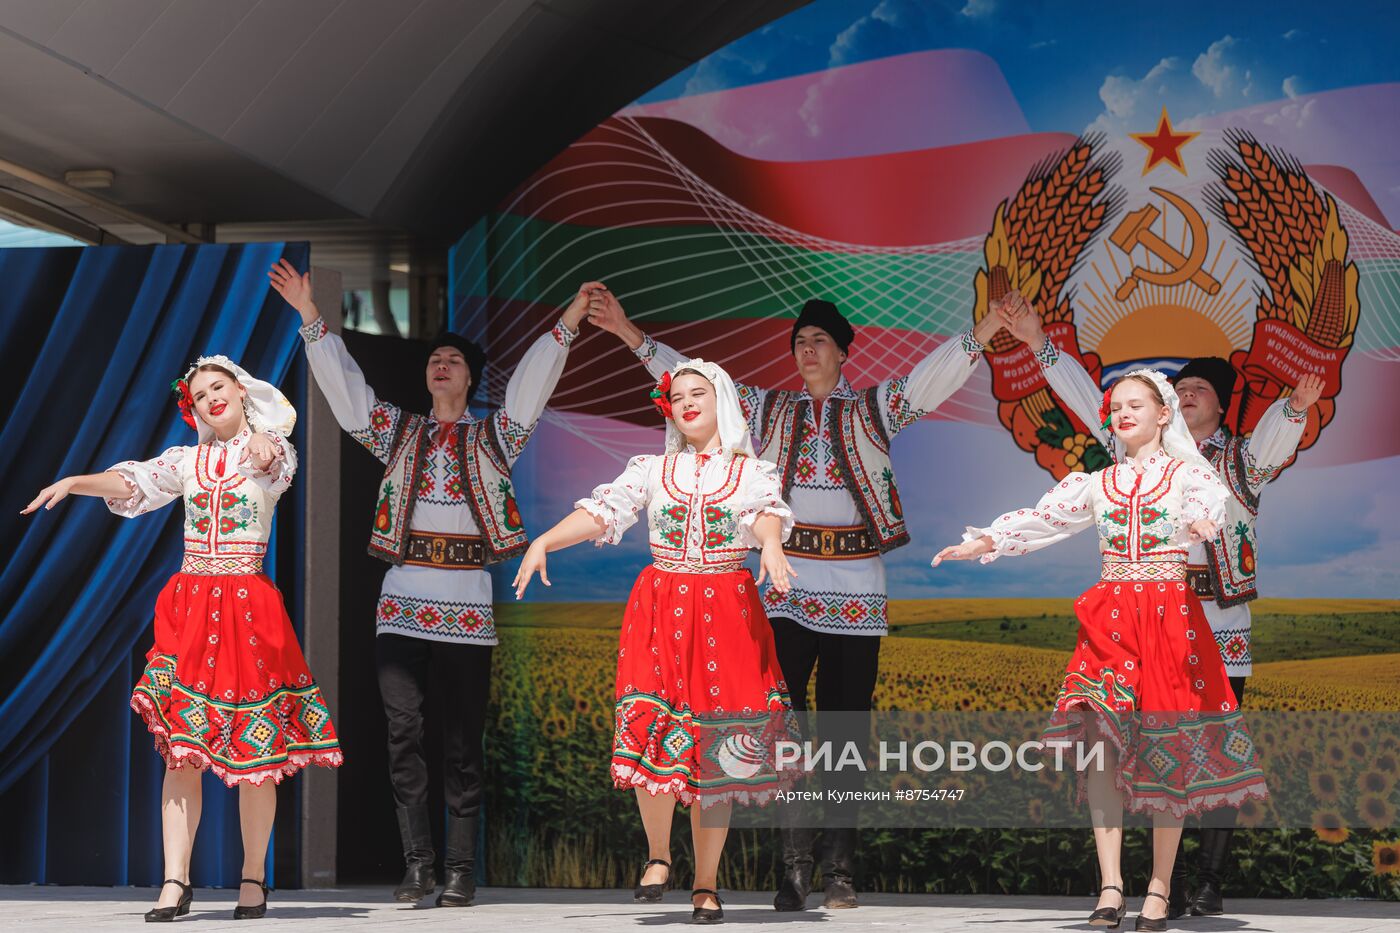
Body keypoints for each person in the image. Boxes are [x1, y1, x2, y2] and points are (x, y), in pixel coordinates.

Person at [588, 290, 1003, 910]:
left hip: (856, 584)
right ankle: (794, 870)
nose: (807, 351)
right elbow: (692, 382)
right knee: (784, 728)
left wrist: (986, 329)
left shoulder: (872, 407)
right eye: (799, 343)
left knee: (844, 730)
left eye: (818, 342)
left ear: (842, 352)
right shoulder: (766, 409)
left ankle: (839, 870)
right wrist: (628, 333)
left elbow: (926, 383)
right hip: (784, 586)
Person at [270, 259, 593, 907]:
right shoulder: (401, 432)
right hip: (402, 608)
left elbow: (531, 386)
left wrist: (567, 322)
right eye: (434, 358)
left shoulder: (496, 435)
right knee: (401, 733)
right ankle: (419, 865)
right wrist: (310, 317)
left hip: (467, 607)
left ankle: (461, 869)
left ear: (470, 376)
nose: (440, 363)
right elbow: (349, 392)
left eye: (452, 358)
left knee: (461, 741)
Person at [995, 292, 1322, 917]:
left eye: (1200, 386)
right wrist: (1039, 346)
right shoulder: (1131, 455)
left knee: (1207, 743)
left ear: (1221, 405)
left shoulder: (1238, 462)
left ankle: (1206, 879)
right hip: (1139, 620)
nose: (1189, 393)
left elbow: (1277, 441)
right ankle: (1131, 882)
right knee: (1121, 741)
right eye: (1183, 387)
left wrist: (1293, 408)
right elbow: (1085, 398)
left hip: (1216, 621)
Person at [932, 369, 1268, 933]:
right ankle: (1111, 885)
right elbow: (1044, 520)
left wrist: (1202, 518)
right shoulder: (1097, 483)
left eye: (1136, 405)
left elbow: (1208, 504)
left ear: (1165, 414)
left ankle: (1159, 888)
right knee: (1102, 749)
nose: (1123, 414)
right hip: (1111, 623)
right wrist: (985, 541)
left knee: (1168, 749)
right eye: (1116, 408)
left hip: (1167, 620)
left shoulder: (1189, 476)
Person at [23, 356, 341, 922]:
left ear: (241, 392)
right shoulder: (187, 461)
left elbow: (274, 456)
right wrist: (75, 482)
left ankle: (252, 879)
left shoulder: (271, 449)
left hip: (246, 608)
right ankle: (175, 881)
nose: (212, 398)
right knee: (182, 750)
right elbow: (132, 481)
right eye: (200, 395)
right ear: (191, 409)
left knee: (257, 754)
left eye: (219, 387)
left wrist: (265, 442)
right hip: (193, 610)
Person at [513, 357, 798, 925]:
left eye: (700, 393)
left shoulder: (752, 473)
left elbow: (767, 515)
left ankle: (708, 884)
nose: (688, 402)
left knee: (716, 754)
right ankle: (659, 855)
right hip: (662, 607)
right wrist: (544, 539)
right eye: (680, 395)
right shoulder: (649, 468)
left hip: (725, 609)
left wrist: (770, 545)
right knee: (654, 725)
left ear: (722, 403)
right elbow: (603, 511)